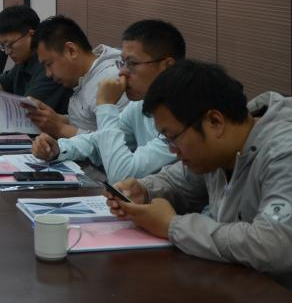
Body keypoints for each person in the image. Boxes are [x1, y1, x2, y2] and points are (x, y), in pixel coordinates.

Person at [108, 60, 292, 303]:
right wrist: (144, 190)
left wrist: (173, 226)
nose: (173, 151)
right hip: (268, 299)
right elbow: (181, 181)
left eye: (173, 137)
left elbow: (275, 246)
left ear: (215, 122)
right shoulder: (224, 149)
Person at [33, 19, 183, 181]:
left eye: (131, 63)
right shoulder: (139, 105)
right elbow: (99, 142)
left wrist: (106, 105)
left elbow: (122, 174)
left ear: (167, 66)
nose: (122, 72)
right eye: (123, 62)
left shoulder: (183, 116)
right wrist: (58, 148)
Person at [24, 15, 123, 137]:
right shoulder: (86, 76)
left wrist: (60, 129)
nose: (48, 74)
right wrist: (53, 118)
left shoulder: (112, 82)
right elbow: (87, 122)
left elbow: (114, 142)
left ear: (71, 50)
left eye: (49, 64)